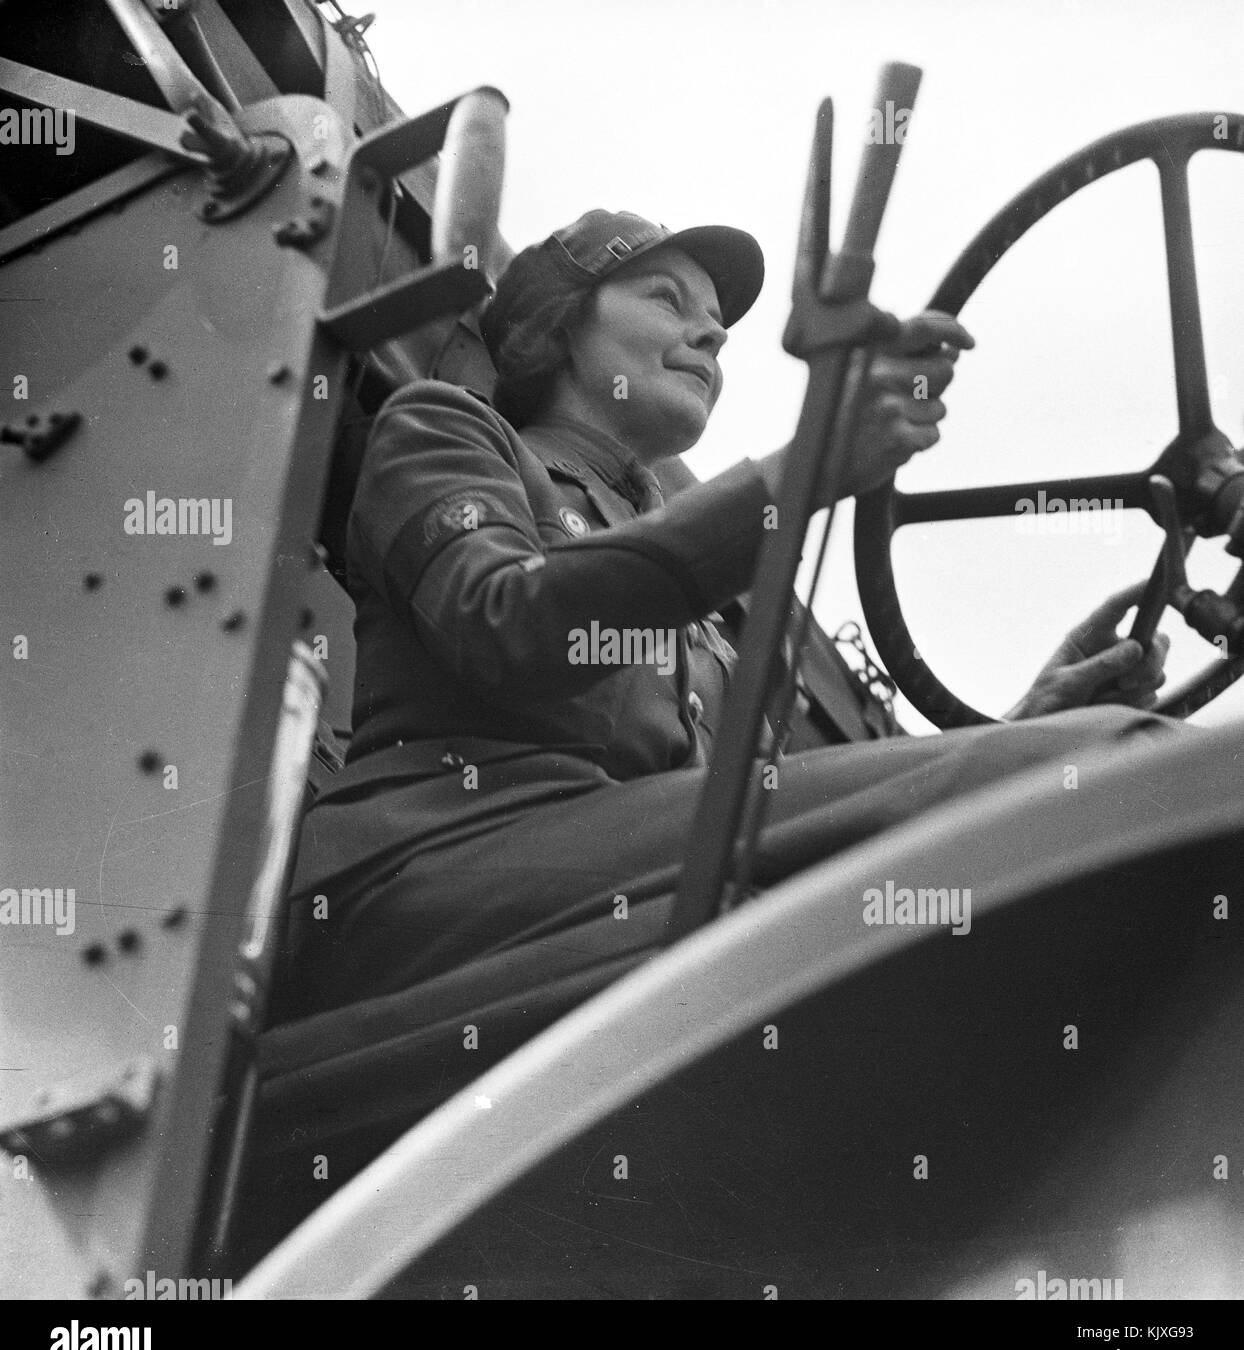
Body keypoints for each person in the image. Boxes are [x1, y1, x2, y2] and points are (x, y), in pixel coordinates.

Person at [274, 209, 1174, 1020]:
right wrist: (803, 470)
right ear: (554, 326)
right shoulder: (443, 431)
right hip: (423, 881)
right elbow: (505, 622)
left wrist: (1023, 733)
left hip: (608, 886)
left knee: (1067, 806)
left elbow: (807, 816)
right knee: (1110, 767)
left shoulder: (724, 611)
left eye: (717, 324)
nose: (709, 330)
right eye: (666, 298)